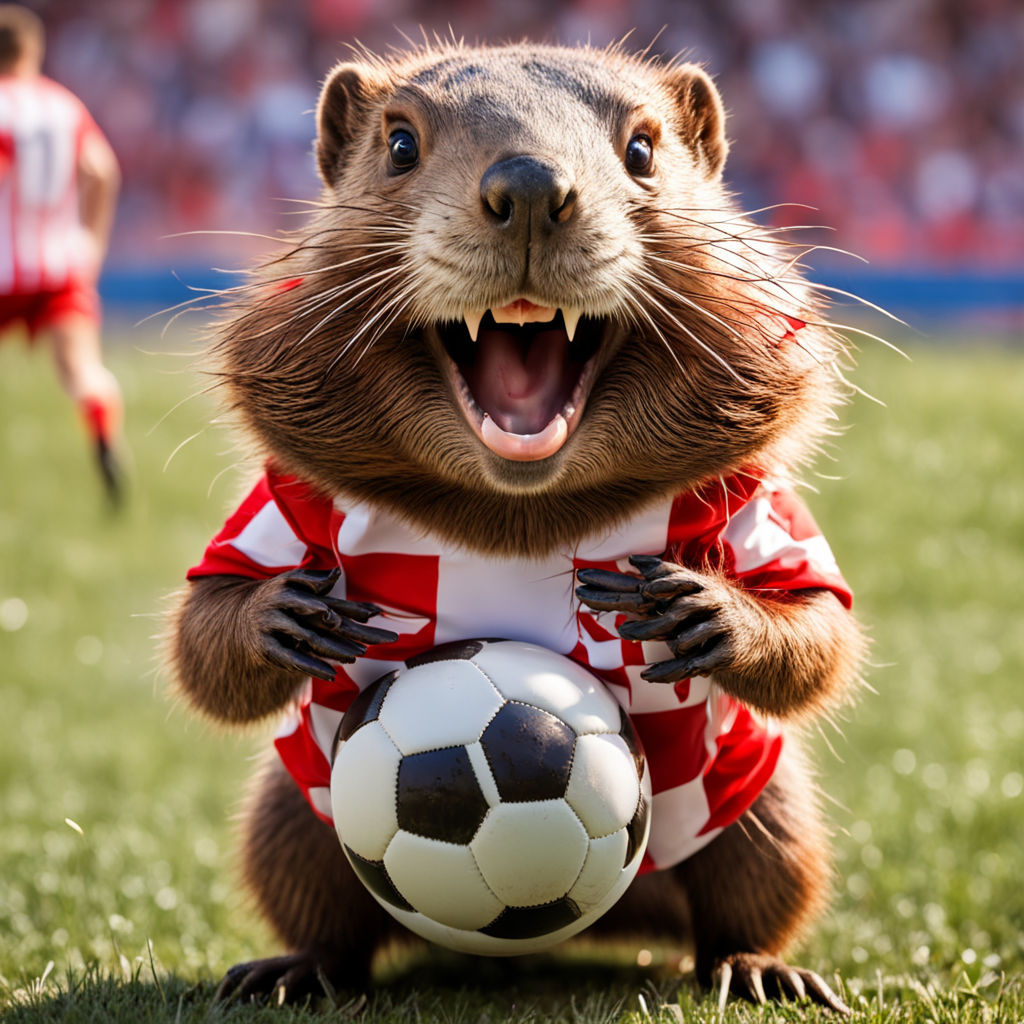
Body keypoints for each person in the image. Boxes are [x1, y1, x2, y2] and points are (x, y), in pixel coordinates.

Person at [0, 4, 124, 502]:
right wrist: (90, 242)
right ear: (33, 50)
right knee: (83, 370)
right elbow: (102, 171)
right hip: (59, 263)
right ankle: (103, 432)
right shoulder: (62, 105)